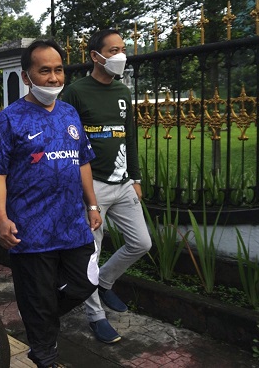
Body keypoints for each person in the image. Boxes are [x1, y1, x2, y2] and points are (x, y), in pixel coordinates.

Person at [0, 40, 102, 368]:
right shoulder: (10, 118)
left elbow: (82, 160)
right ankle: (44, 352)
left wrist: (92, 205)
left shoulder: (69, 112)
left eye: (58, 70)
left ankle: (40, 315)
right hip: (31, 230)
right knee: (39, 302)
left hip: (72, 225)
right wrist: (0, 217)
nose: (53, 77)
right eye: (44, 70)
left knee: (86, 281)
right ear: (26, 76)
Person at [61, 28, 151, 344]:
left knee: (141, 243)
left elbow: (130, 137)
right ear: (95, 56)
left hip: (123, 183)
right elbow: (67, 140)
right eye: (113, 50)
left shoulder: (123, 92)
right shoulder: (75, 92)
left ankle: (105, 282)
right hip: (93, 185)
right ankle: (96, 316)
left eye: (122, 49)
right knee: (91, 254)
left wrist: (136, 179)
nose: (120, 56)